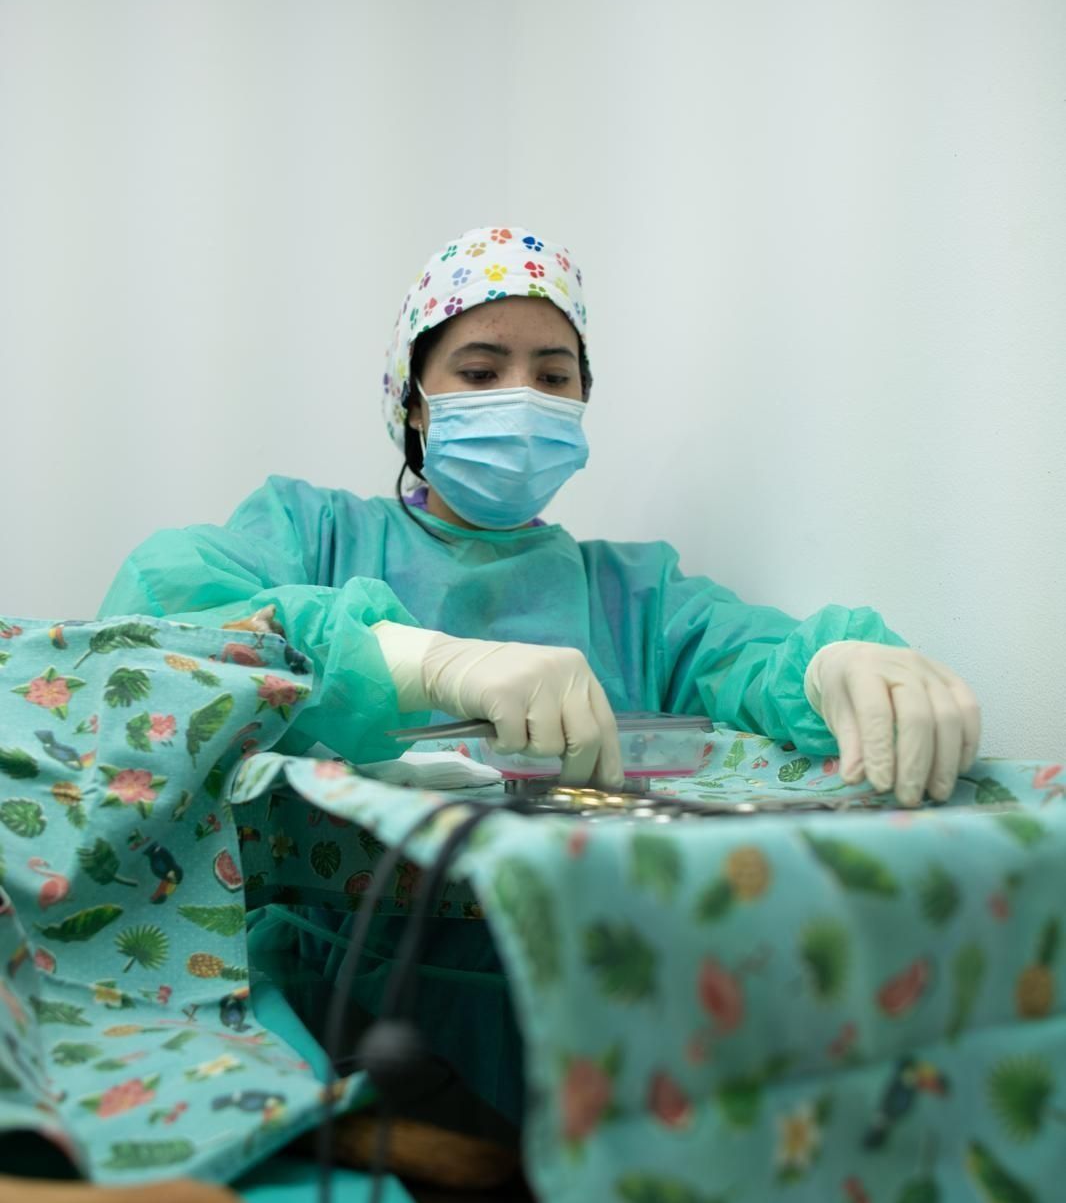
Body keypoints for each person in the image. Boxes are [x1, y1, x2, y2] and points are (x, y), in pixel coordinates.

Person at [100, 224, 981, 807]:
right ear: (414, 402)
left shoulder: (633, 596)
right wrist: (431, 663)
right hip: (346, 976)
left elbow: (749, 656)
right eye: (480, 374)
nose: (521, 398)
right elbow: (161, 614)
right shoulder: (313, 534)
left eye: (553, 377)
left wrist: (837, 664)